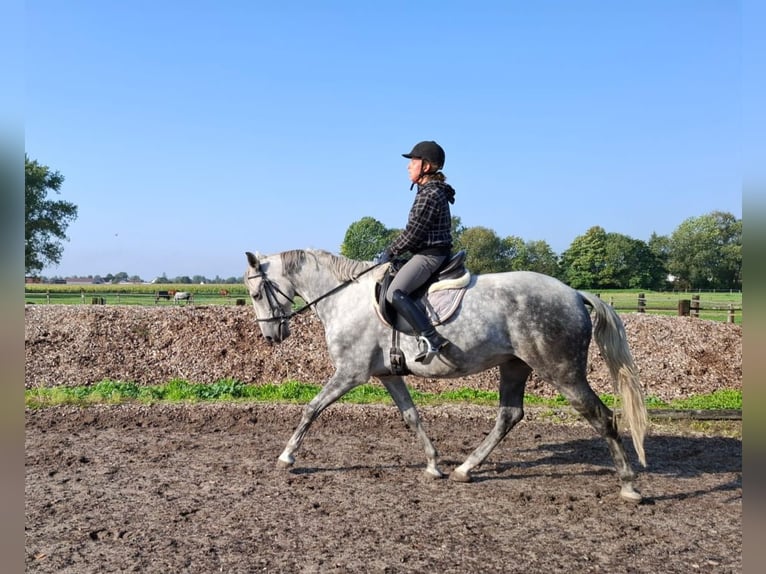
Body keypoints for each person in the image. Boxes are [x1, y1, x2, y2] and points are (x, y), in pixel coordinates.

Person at [376, 140, 456, 363]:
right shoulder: (430, 191)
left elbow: (413, 234)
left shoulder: (429, 194)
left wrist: (389, 252)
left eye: (413, 161)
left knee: (394, 292)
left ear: (427, 166)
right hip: (428, 253)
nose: (408, 166)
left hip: (429, 255)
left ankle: (431, 338)